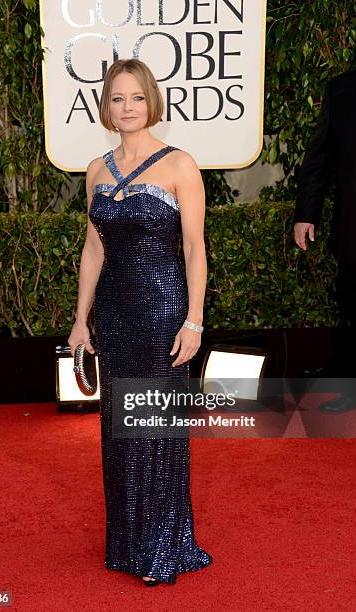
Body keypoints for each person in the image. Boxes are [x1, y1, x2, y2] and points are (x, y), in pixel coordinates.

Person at [68, 58, 213, 585]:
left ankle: (162, 546)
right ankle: (129, 543)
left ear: (151, 101)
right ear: (105, 107)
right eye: (116, 99)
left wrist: (193, 321)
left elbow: (195, 249)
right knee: (119, 430)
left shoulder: (180, 165)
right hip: (114, 314)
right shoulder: (96, 170)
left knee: (153, 427)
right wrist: (81, 320)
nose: (126, 108)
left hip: (161, 310)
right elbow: (92, 248)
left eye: (135, 98)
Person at [294, 66, 356, 413]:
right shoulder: (342, 89)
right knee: (352, 310)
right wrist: (306, 214)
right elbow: (319, 158)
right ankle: (353, 391)